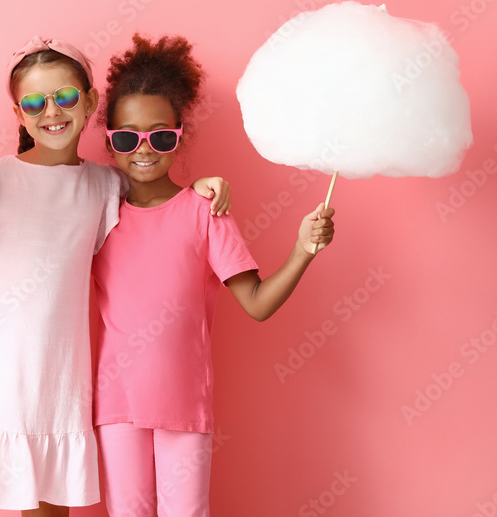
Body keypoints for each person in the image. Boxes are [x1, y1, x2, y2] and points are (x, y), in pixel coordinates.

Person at [0, 36, 231, 517]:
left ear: (90, 101)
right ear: (19, 114)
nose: (51, 111)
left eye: (65, 97)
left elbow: (157, 192)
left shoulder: (105, 186)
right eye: (34, 102)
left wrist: (202, 186)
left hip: (57, 389)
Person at [91, 33, 335, 516]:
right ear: (111, 143)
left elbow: (258, 304)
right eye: (127, 137)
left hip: (185, 407)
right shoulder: (96, 211)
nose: (144, 148)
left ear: (179, 135)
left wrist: (304, 248)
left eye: (160, 135)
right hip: (116, 406)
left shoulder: (205, 212)